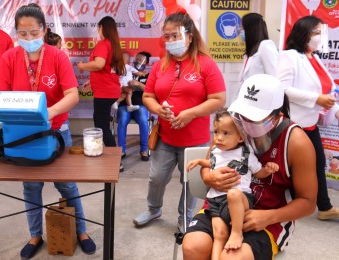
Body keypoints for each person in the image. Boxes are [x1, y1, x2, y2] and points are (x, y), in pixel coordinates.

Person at [0, 3, 96, 258]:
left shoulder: (57, 56)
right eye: (23, 34)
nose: (29, 39)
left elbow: (72, 94)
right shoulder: (9, 58)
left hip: (57, 131)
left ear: (44, 30)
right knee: (31, 188)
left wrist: (48, 112)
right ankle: (35, 235)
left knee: (68, 186)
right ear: (16, 32)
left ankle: (81, 231)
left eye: (34, 33)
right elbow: (1, 96)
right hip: (24, 135)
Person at [182, 74, 317, 260]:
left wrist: (268, 217)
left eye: (254, 118)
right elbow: (211, 159)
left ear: (277, 116)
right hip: (219, 204)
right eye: (242, 114)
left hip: (266, 218)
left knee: (231, 257)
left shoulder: (296, 142)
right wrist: (208, 177)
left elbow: (308, 202)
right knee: (193, 247)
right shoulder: (234, 122)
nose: (244, 122)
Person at [133, 11, 226, 233]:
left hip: (196, 140)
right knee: (156, 177)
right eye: (167, 37)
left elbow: (219, 99)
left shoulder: (206, 64)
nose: (171, 41)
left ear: (190, 36)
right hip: (166, 137)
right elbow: (148, 96)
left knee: (192, 183)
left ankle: (185, 217)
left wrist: (191, 113)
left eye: (175, 36)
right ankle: (154, 209)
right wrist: (158, 110)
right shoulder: (160, 66)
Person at [186, 108, 279, 259]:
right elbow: (211, 163)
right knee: (219, 234)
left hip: (240, 201)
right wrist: (199, 161)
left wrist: (268, 169)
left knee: (233, 193)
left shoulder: (245, 154)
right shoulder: (216, 150)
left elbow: (258, 172)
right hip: (215, 201)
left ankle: (237, 233)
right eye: (216, 132)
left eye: (226, 133)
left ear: (240, 138)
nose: (218, 138)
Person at [277, 15, 339, 220]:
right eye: (316, 33)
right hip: (294, 123)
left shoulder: (315, 58)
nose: (320, 37)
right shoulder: (290, 56)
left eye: (322, 33)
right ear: (303, 34)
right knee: (295, 167)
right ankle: (301, 204)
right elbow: (283, 89)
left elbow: (326, 90)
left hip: (311, 123)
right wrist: (316, 99)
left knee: (318, 163)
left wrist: (333, 106)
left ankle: (324, 207)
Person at [77, 16, 125, 151]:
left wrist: (83, 65)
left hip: (104, 93)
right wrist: (91, 81)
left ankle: (115, 160)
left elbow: (99, 64)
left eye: (99, 28)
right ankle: (106, 153)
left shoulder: (103, 44)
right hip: (110, 90)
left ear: (102, 28)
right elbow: (107, 70)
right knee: (100, 121)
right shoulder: (113, 44)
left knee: (102, 127)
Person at [229, 13, 278, 105]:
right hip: (245, 102)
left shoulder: (266, 46)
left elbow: (274, 79)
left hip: (259, 103)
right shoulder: (250, 53)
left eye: (243, 28)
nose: (241, 32)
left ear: (251, 29)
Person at [116, 51, 152, 161]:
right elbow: (117, 84)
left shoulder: (148, 76)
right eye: (136, 60)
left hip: (141, 105)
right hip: (124, 105)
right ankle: (121, 150)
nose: (137, 62)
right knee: (122, 120)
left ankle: (144, 150)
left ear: (146, 63)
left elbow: (151, 91)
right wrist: (124, 87)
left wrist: (139, 84)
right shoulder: (126, 71)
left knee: (143, 120)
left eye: (140, 61)